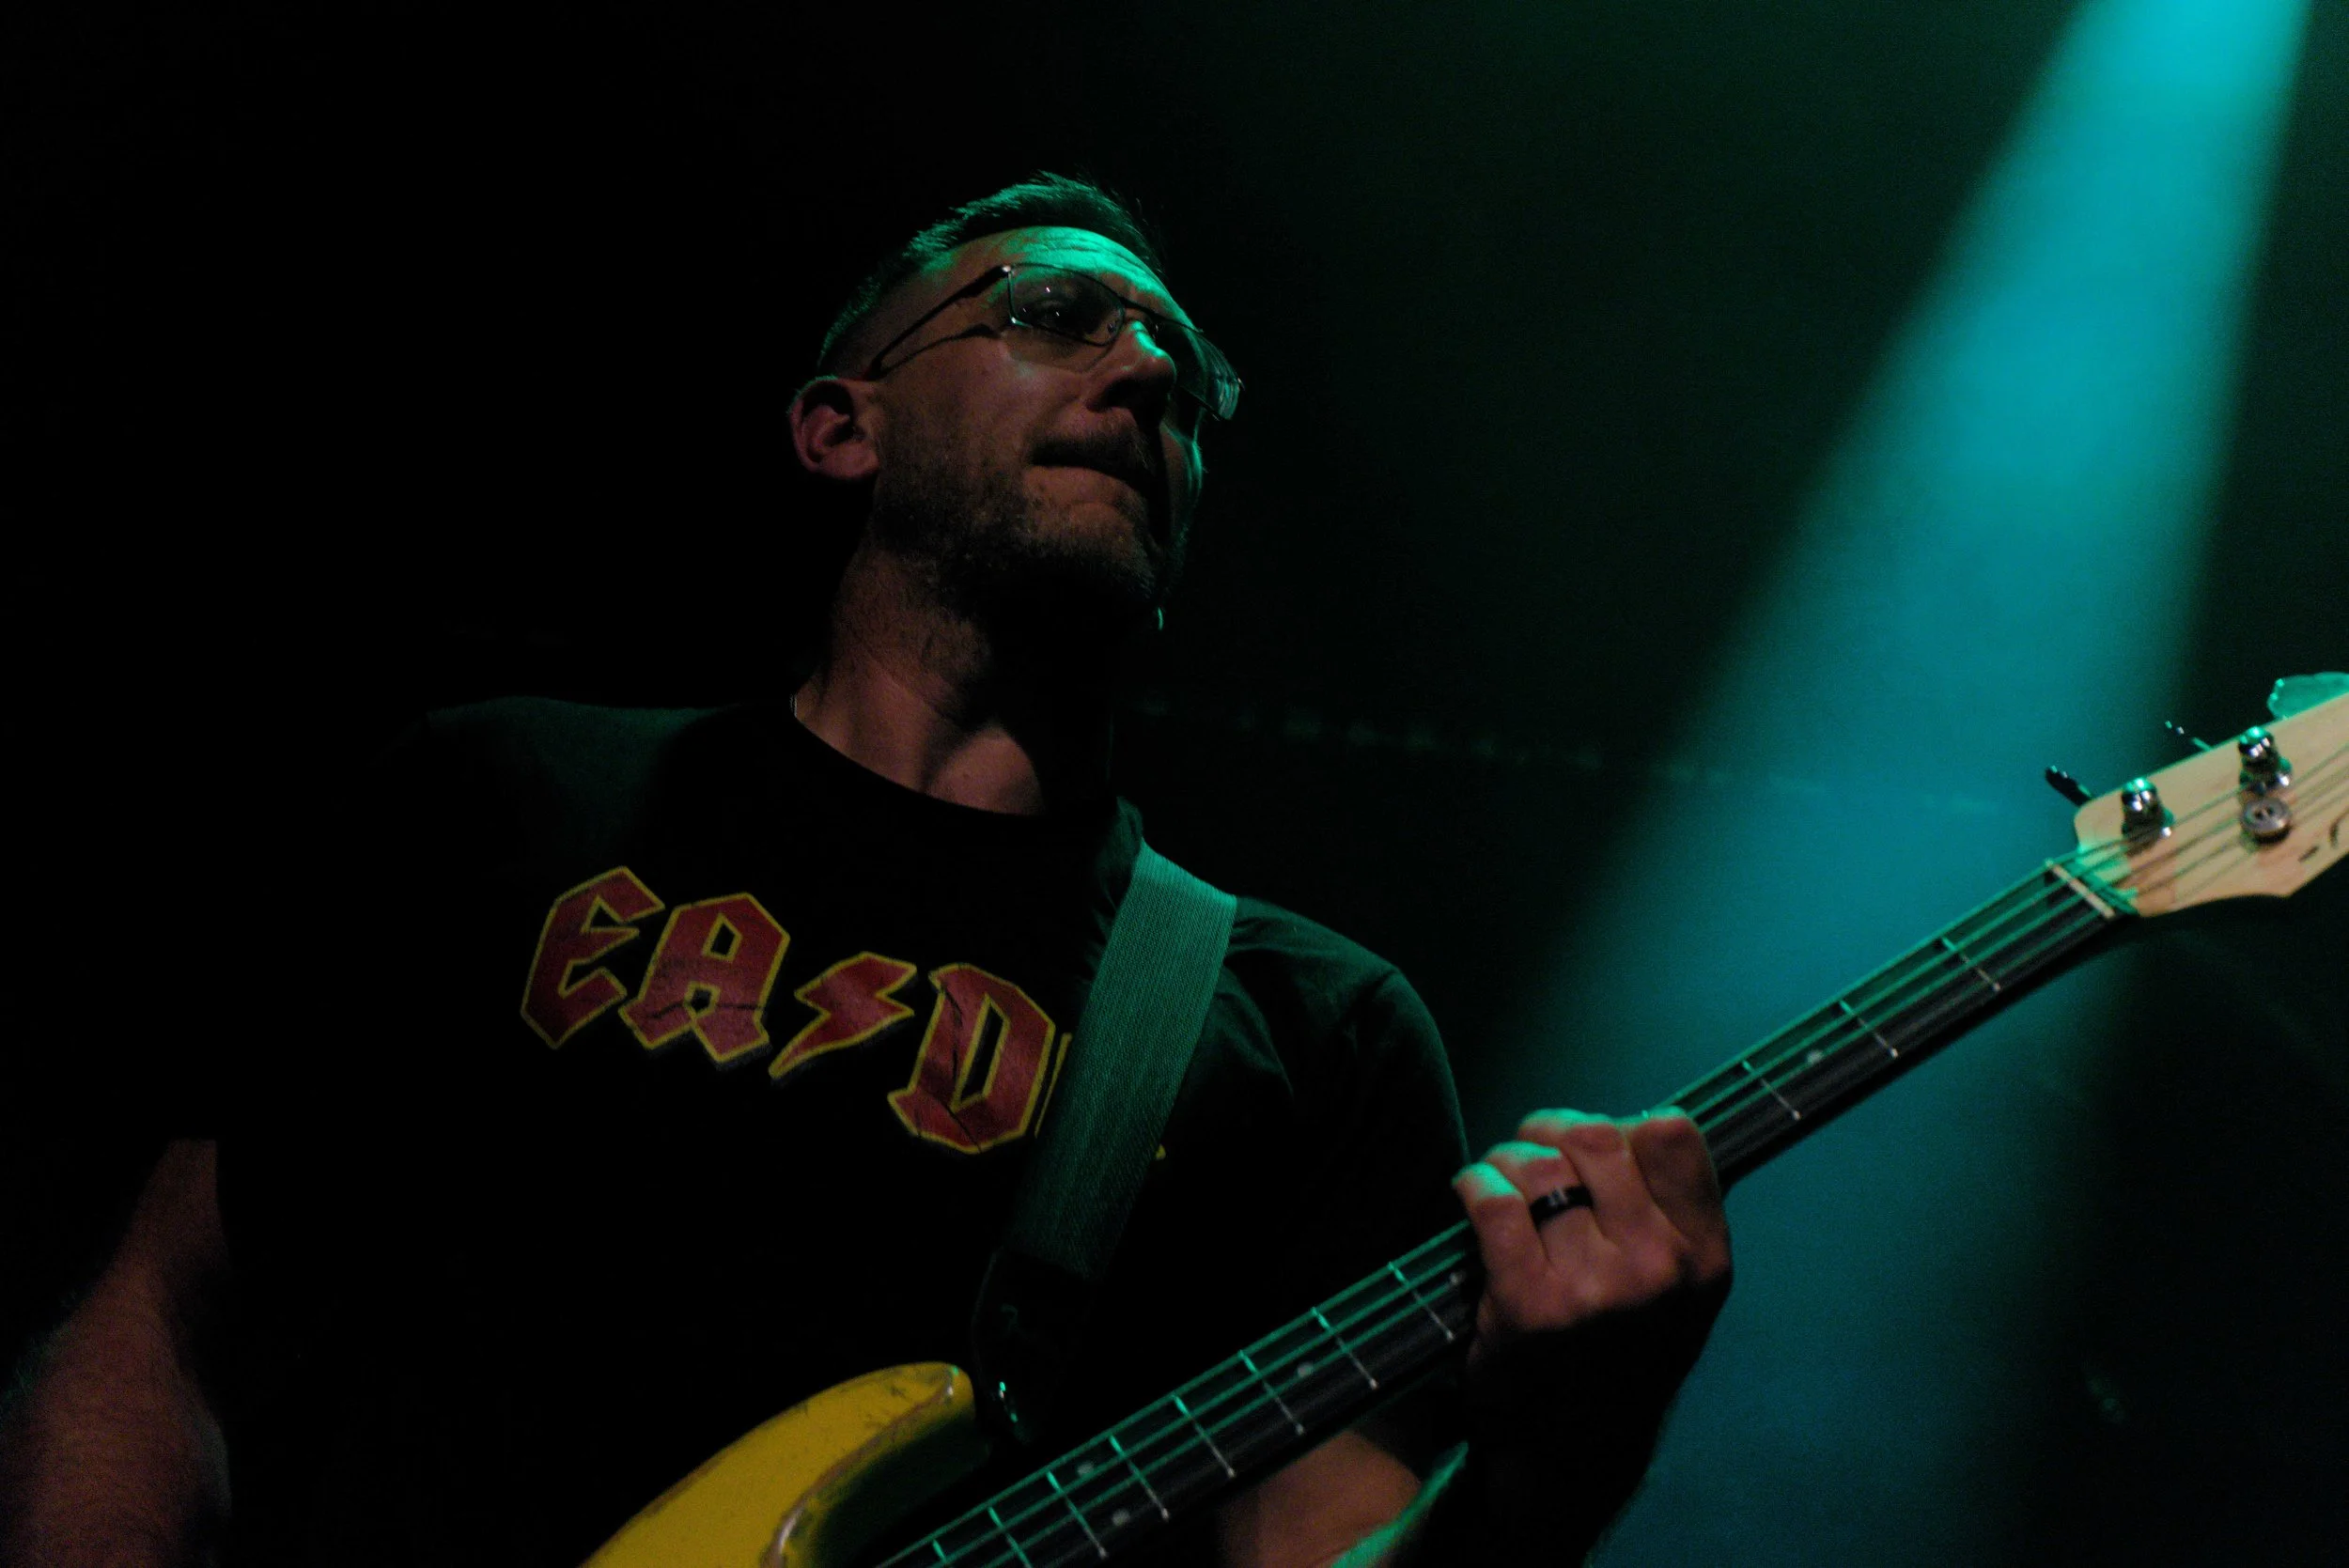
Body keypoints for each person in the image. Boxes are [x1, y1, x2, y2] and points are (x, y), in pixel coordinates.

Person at [0, 175, 1731, 1568]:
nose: (1144, 376)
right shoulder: (502, 795)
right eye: (1054, 315)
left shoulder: (1316, 1032)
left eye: (1184, 376)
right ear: (843, 426)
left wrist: (1554, 1471)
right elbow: (159, 1325)